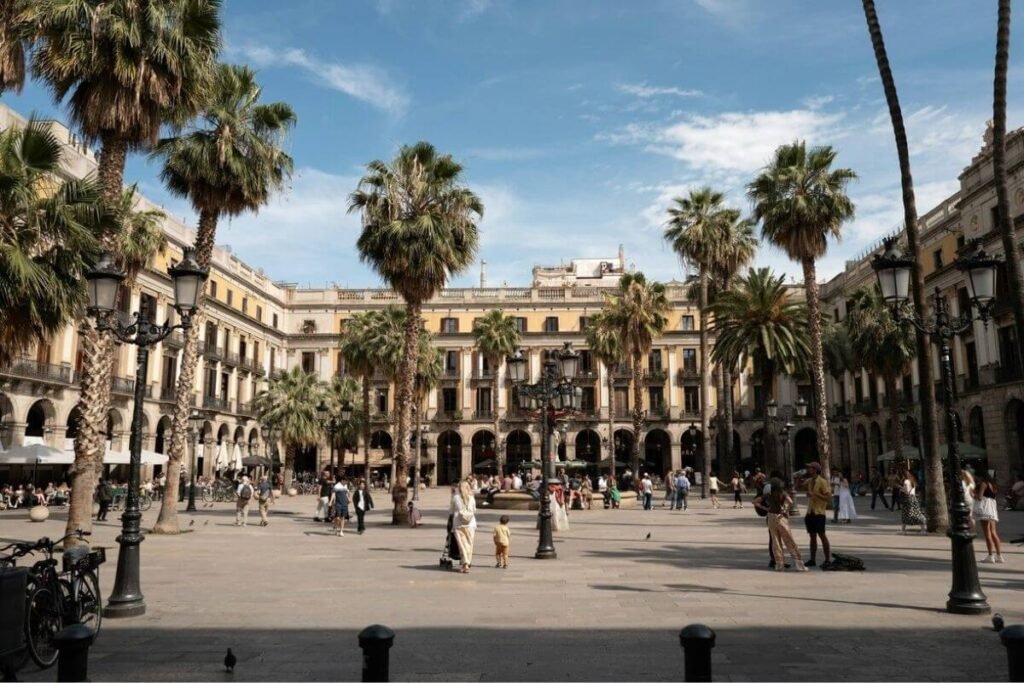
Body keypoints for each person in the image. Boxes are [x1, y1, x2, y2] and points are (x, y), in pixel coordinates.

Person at [754, 477, 807, 572]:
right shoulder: (783, 493)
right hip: (780, 517)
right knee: (789, 540)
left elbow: (755, 502)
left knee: (776, 542)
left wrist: (765, 508)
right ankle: (798, 563)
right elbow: (790, 501)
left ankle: (779, 564)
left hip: (771, 517)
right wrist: (785, 510)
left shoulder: (768, 494)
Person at [803, 462, 832, 568]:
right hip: (810, 512)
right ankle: (812, 559)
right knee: (812, 536)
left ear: (815, 470)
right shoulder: (810, 481)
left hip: (819, 513)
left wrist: (815, 494)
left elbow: (829, 498)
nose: (808, 470)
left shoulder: (822, 482)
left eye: (810, 468)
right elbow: (799, 486)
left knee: (822, 535)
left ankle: (828, 559)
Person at [974, 476, 1004, 563]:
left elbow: (980, 497)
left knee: (987, 533)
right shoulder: (993, 486)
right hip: (991, 509)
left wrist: (973, 494)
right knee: (994, 532)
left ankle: (990, 556)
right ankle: (999, 556)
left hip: (984, 510)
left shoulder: (983, 483)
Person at [451, 480, 477, 573]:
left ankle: (465, 563)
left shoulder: (455, 498)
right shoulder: (472, 498)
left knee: (462, 545)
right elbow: (474, 510)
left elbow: (451, 510)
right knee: (469, 544)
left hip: (458, 524)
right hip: (470, 524)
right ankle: (467, 563)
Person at [900, 467, 926, 534]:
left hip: (908, 498)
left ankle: (903, 530)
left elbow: (906, 491)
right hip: (914, 498)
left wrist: (901, 489)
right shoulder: (913, 480)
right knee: (917, 513)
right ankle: (922, 529)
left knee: (906, 514)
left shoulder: (906, 481)